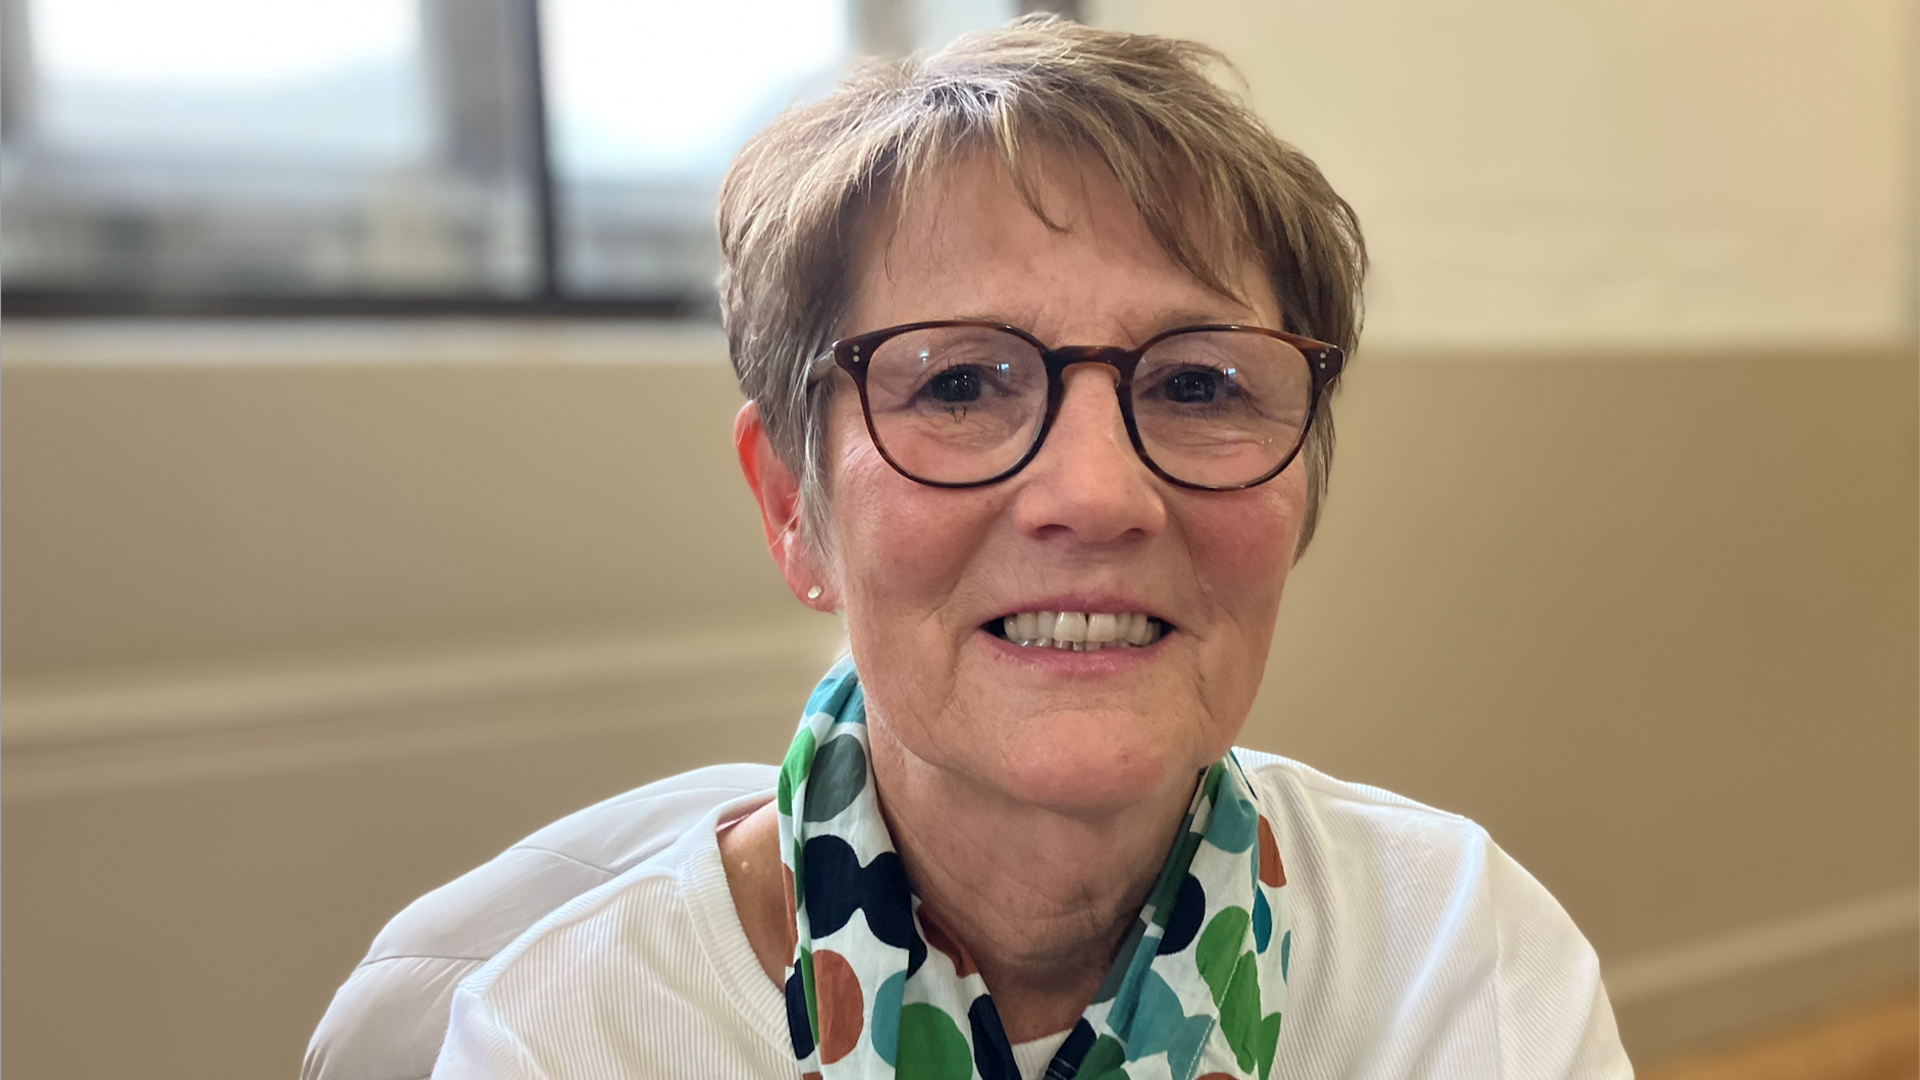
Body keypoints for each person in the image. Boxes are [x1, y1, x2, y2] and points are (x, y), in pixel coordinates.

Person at [313, 16, 1630, 1080]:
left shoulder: (1466, 965)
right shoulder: (571, 1041)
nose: (1099, 494)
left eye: (1197, 387)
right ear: (791, 506)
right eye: (958, 386)